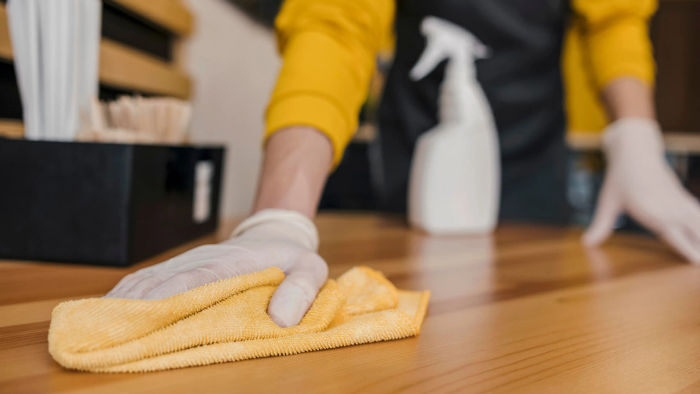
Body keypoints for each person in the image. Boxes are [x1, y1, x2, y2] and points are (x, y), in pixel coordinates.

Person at [106, 0, 700, 327]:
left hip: (534, 158)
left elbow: (615, 19)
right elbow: (334, 27)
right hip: (419, 156)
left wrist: (635, 136)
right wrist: (280, 216)